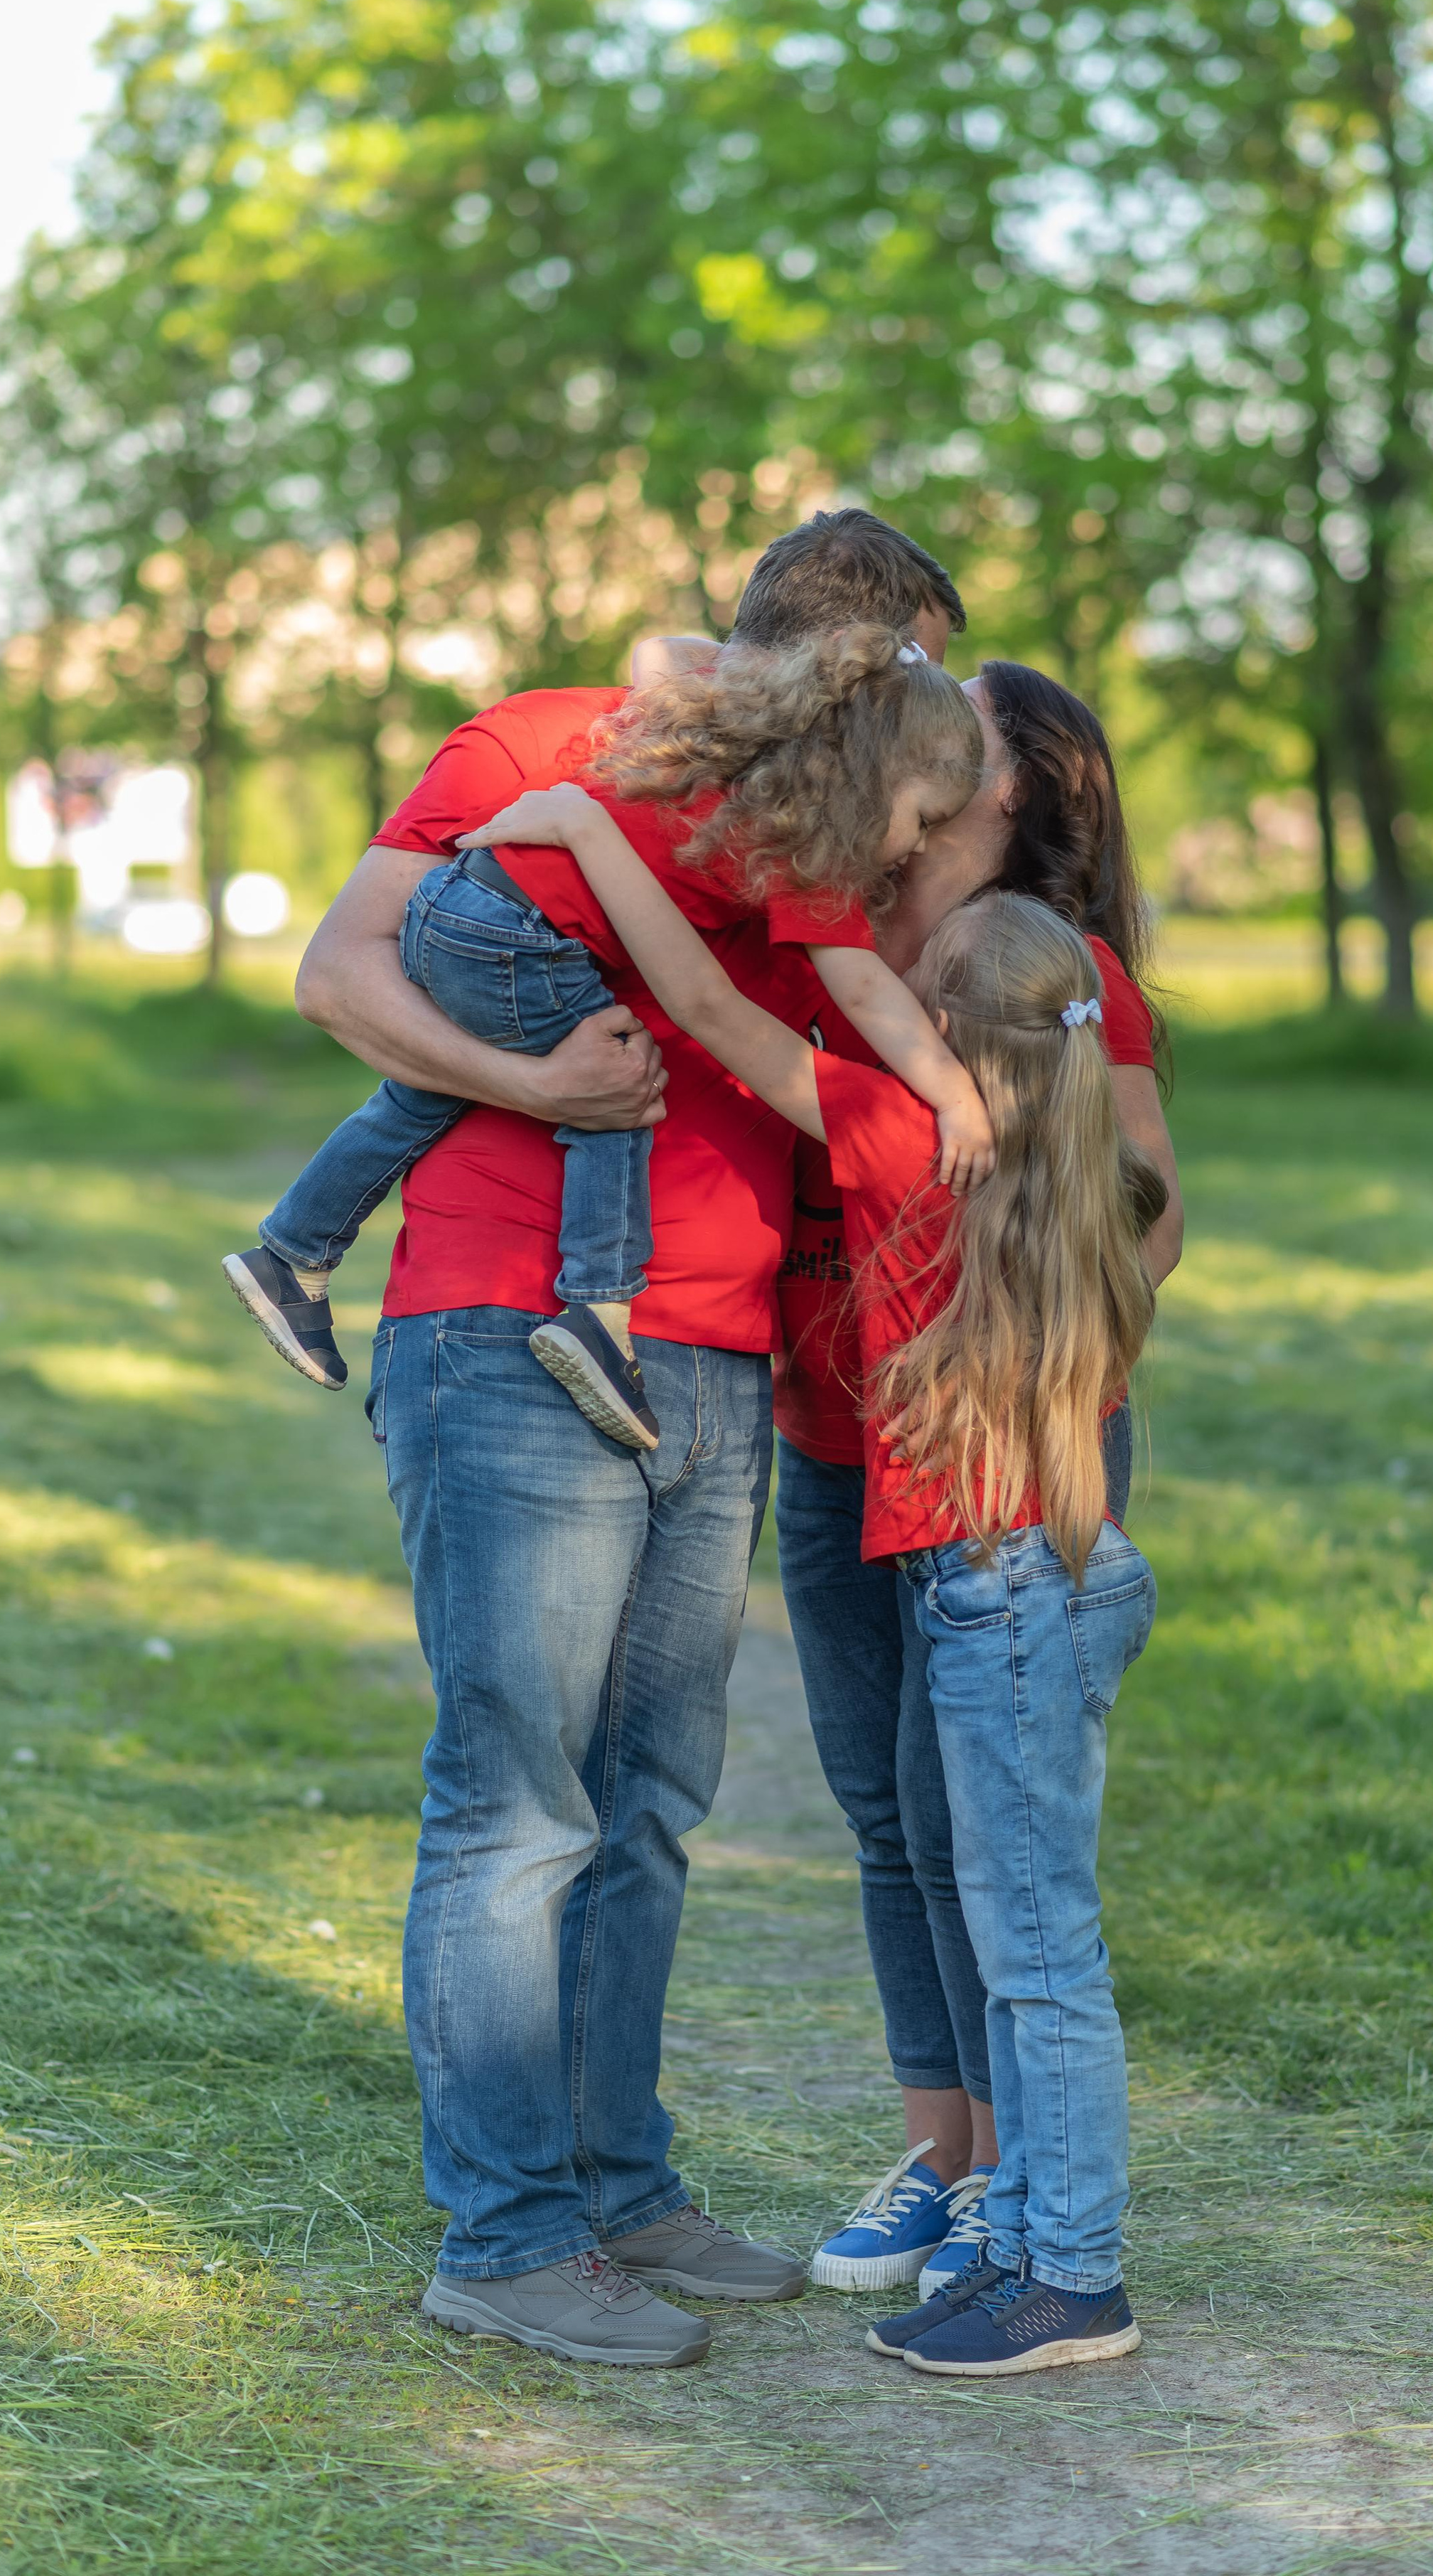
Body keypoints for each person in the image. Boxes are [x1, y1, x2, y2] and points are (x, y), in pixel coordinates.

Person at [292, 508, 966, 2370]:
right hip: (510, 1334)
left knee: (653, 1797)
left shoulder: (821, 813)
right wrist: (532, 1078)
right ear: (841, 652)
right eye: (909, 669)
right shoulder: (532, 741)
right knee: (521, 1796)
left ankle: (616, 2181)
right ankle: (503, 2235)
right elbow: (342, 977)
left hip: (717, 1346)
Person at [455, 786, 1161, 2378]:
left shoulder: (910, 1138)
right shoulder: (1074, 1173)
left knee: (1036, 1950)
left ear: (938, 1038)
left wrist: (603, 831)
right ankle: (1035, 2236)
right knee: (1032, 1936)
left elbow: (707, 1007)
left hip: (993, 1590)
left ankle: (1072, 2276)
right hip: (1062, 1569)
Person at [778, 662, 1182, 2297]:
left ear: (1006, 788)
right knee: (895, 1823)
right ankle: (955, 2165)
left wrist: (1011, 1373)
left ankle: (1032, 2204)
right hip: (841, 1454)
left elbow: (1140, 1205)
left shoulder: (1028, 979)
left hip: (998, 1470)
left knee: (993, 1866)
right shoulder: (853, 924)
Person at [224, 627, 988, 1450]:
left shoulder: (741, 759)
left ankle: (292, 1248)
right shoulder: (804, 847)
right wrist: (956, 1097)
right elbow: (866, 989)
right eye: (922, 818)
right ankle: (595, 1310)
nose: (915, 847)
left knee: (426, 1089)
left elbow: (663, 649)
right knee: (617, 1083)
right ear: (870, 775)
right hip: (522, 931)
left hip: (466, 907)